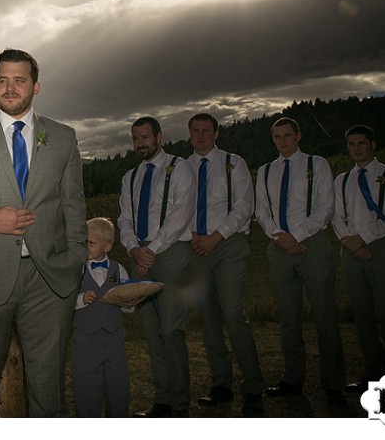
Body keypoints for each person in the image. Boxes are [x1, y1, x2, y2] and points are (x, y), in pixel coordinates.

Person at [0, 48, 88, 417]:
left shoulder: (63, 137)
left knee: (49, 393)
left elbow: (73, 204)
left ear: (36, 86)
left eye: (19, 80)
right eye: (2, 80)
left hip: (49, 281)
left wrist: (75, 259)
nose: (9, 88)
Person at [255, 117, 346, 407]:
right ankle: (293, 378)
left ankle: (333, 382)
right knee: (289, 319)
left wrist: (295, 236)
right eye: (277, 137)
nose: (283, 141)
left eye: (287, 135)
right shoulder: (266, 170)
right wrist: (279, 237)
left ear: (298, 136)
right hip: (279, 247)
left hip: (312, 244)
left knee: (324, 315)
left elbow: (325, 206)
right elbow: (261, 209)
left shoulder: (316, 164)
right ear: (273, 140)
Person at [187, 113, 265, 415]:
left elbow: (244, 206)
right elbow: (177, 207)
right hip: (195, 246)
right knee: (208, 317)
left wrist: (215, 237)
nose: (201, 136)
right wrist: (193, 235)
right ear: (189, 134)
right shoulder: (182, 168)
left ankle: (253, 384)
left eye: (206, 131)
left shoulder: (234, 163)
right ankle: (221, 384)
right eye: (195, 131)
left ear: (216, 133)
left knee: (232, 311)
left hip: (228, 244)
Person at [119, 116, 195, 417]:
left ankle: (180, 405)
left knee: (171, 330)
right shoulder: (131, 177)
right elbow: (124, 218)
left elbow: (181, 212)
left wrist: (151, 249)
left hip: (171, 252)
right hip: (142, 256)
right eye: (136, 138)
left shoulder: (179, 167)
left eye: (145, 137)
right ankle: (163, 399)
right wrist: (134, 248)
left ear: (159, 137)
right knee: (151, 331)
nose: (141, 143)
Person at [331, 125, 385, 392]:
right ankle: (373, 371)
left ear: (372, 145)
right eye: (351, 144)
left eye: (361, 143)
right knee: (362, 314)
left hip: (384, 247)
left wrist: (361, 238)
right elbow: (336, 216)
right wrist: (349, 242)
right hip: (350, 249)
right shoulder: (341, 180)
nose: (356, 149)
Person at [71, 217, 132, 418]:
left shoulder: (119, 269)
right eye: (84, 242)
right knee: (86, 386)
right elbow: (66, 301)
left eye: (91, 243)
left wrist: (126, 303)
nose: (86, 246)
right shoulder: (76, 269)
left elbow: (129, 305)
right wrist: (81, 299)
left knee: (118, 385)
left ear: (107, 246)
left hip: (114, 340)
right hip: (85, 340)